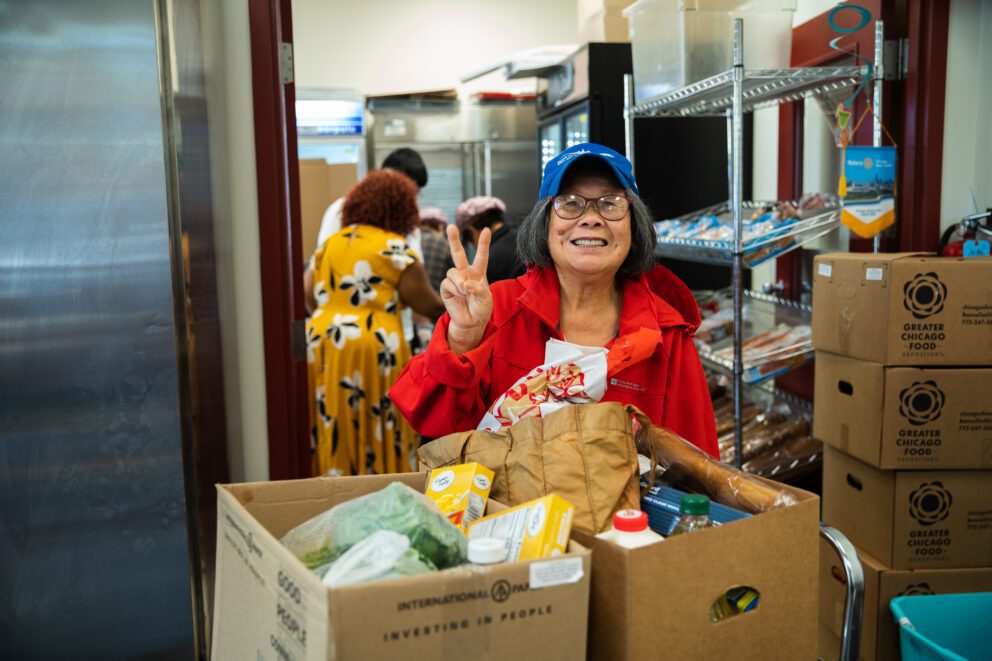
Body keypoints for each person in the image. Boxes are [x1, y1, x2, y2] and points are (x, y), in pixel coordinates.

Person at [389, 143, 718, 457]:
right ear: (544, 224)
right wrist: (462, 338)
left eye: (610, 203)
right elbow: (437, 427)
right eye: (570, 203)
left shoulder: (666, 333)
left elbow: (695, 467)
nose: (591, 218)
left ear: (635, 225)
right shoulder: (495, 309)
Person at [307, 170, 444, 476]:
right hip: (373, 346)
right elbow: (426, 303)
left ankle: (334, 479)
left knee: (335, 417)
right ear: (401, 211)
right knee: (379, 420)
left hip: (324, 343)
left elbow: (308, 293)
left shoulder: (331, 244)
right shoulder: (394, 248)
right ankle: (381, 481)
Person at [454, 195, 525, 283]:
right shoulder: (523, 235)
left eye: (470, 241)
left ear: (471, 231)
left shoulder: (487, 261)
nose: (473, 246)